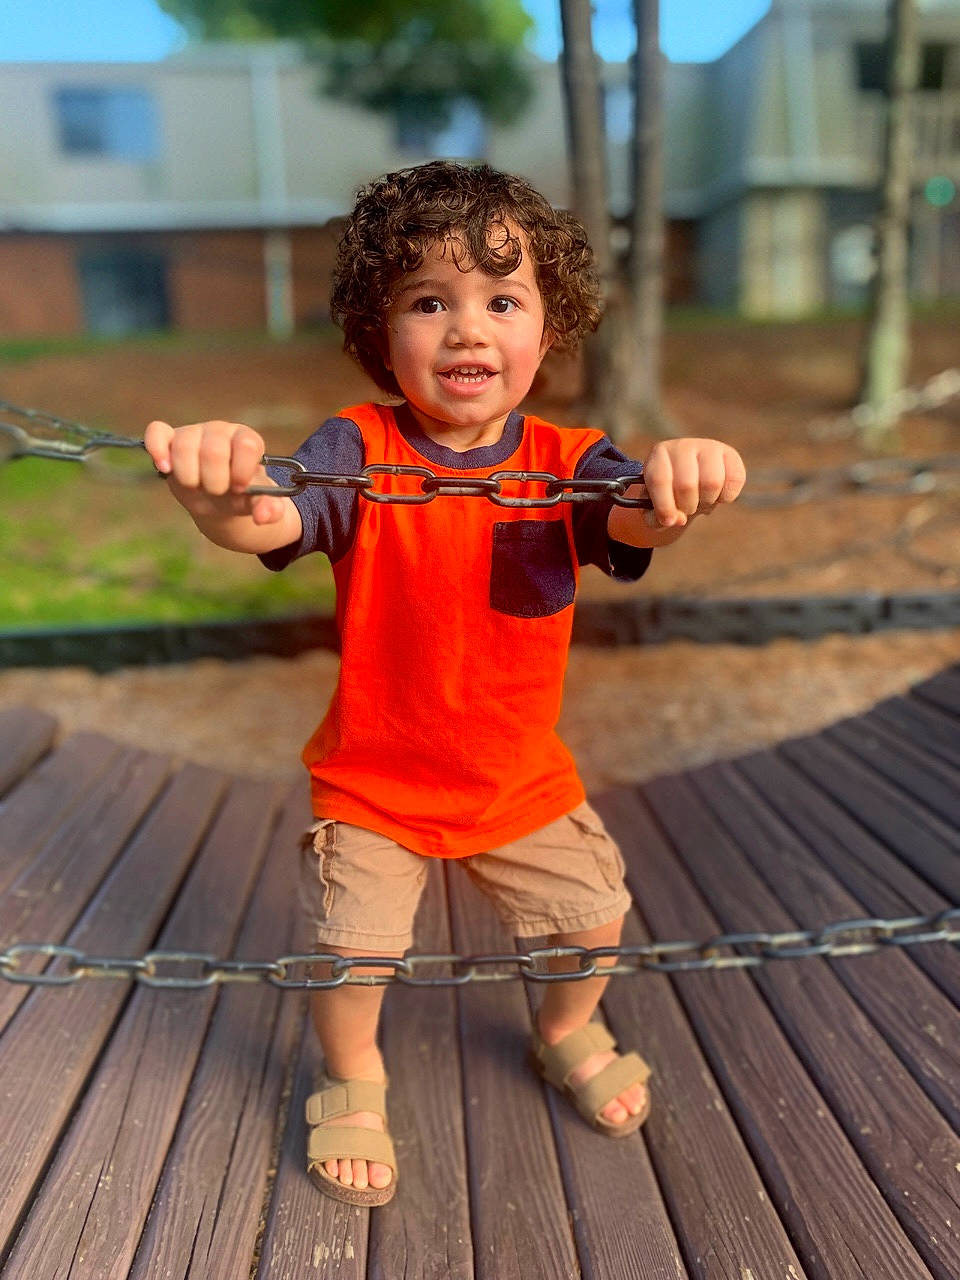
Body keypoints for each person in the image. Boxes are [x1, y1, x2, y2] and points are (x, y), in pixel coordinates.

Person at [144, 160, 745, 1208]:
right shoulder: (358, 447)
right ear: (384, 333)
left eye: (501, 299)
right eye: (430, 301)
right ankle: (354, 1069)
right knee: (348, 944)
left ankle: (565, 1027)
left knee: (592, 912)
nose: (468, 328)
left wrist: (677, 483)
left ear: (547, 330)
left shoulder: (569, 459)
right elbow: (273, 516)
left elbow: (636, 516)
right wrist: (218, 491)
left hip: (518, 778)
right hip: (377, 779)